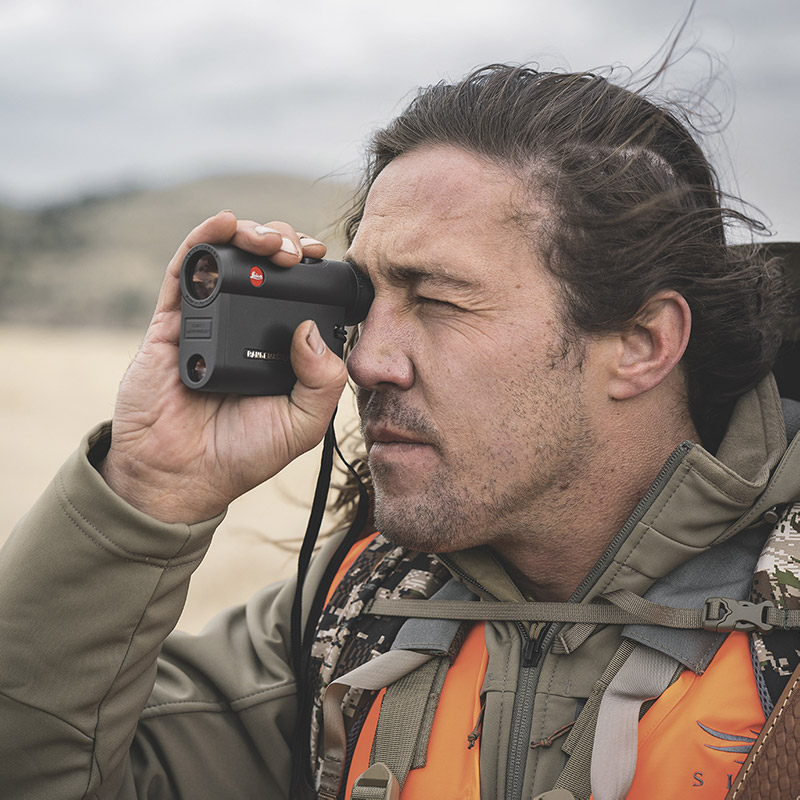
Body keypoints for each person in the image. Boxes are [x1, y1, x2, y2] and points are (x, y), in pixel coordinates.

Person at [0, 63, 796, 800]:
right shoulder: (356, 612)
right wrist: (148, 487)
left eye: (438, 299)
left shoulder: (780, 646)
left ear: (643, 344)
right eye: (365, 299)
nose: (366, 360)